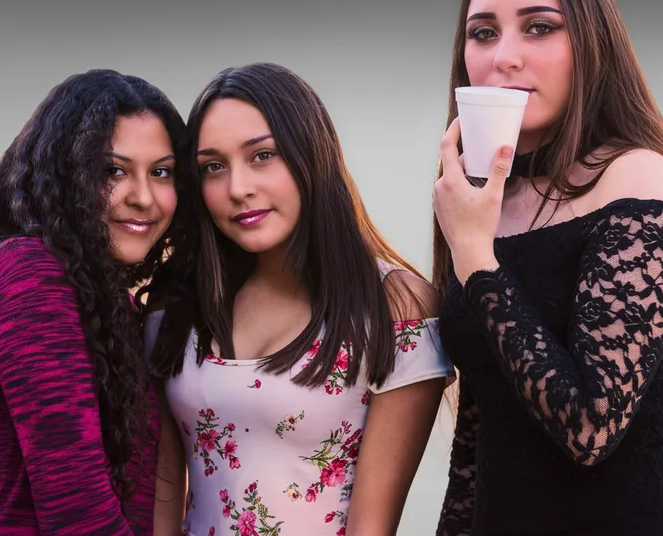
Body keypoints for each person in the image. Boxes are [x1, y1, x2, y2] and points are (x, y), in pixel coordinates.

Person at [432, 0, 663, 535]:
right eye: (483, 33)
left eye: (539, 27)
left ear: (591, 44)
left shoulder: (640, 179)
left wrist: (474, 255)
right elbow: (478, 435)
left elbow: (589, 427)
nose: (504, 56)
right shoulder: (483, 198)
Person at [145, 62, 454, 536]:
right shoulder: (178, 301)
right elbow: (162, 492)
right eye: (213, 166)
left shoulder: (395, 308)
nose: (238, 188)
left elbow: (372, 527)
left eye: (262, 155)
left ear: (310, 154)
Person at [0, 69, 194, 535]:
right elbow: (77, 510)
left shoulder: (104, 305)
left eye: (161, 172)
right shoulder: (25, 276)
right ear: (65, 175)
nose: (143, 197)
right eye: (113, 171)